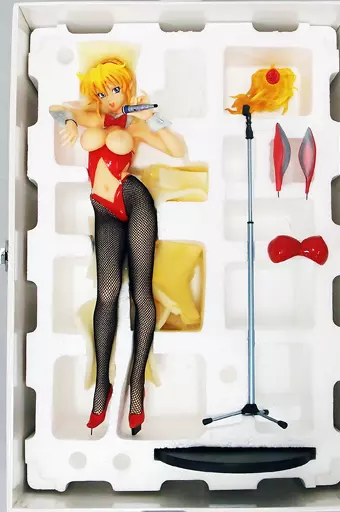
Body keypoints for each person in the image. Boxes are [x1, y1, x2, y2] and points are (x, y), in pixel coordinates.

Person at [50, 57, 185, 435]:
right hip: (104, 208)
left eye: (115, 89)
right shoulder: (93, 118)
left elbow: (176, 149)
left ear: (127, 89)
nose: (110, 98)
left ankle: (137, 387)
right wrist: (70, 122)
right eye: (102, 92)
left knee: (141, 292)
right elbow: (56, 108)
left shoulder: (134, 124)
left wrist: (154, 117)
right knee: (106, 293)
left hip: (134, 198)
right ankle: (102, 387)